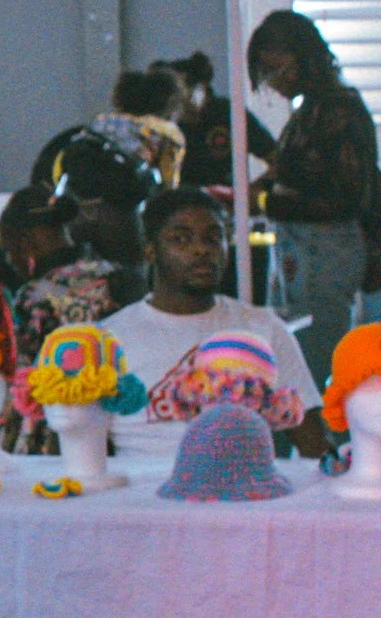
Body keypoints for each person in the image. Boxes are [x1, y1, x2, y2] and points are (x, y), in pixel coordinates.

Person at [104, 187, 326, 458]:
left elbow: (314, 445)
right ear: (150, 251)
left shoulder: (262, 327)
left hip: (243, 482)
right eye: (181, 239)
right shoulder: (108, 338)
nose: (201, 250)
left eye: (213, 237)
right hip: (142, 483)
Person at [250, 9, 379, 385]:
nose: (272, 81)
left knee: (316, 363)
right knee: (299, 357)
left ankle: (324, 426)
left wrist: (266, 202)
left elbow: (344, 199)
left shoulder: (337, 110)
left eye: (275, 69)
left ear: (303, 58)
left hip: (326, 253)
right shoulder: (314, 109)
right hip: (307, 254)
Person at [0, 186, 144, 454]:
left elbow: (23, 382)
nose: (10, 261)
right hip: (129, 417)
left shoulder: (33, 297)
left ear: (26, 243)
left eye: (8, 250)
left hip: (64, 433)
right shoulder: (121, 276)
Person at [153, 51, 277, 189]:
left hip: (227, 199)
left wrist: (252, 191)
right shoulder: (167, 124)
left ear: (201, 86)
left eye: (183, 90)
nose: (179, 99)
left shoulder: (228, 113)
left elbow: (276, 159)